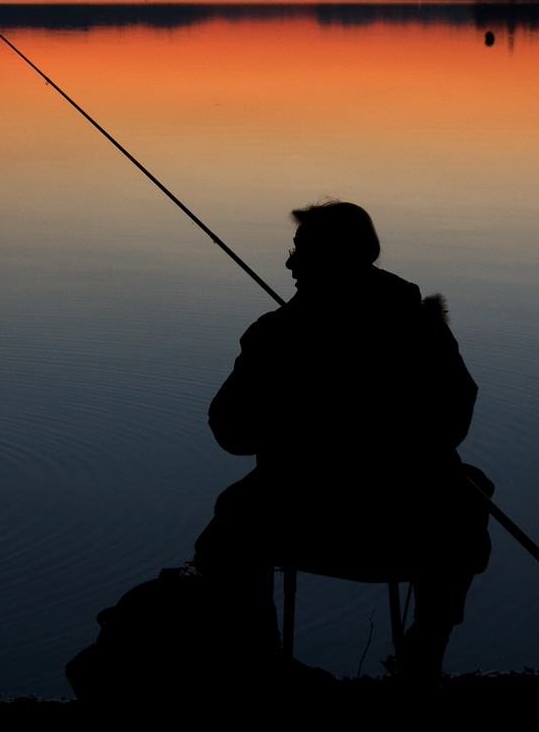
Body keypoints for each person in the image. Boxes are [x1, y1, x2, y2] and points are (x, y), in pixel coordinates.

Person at [193, 200, 490, 682]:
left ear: (335, 257)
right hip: (411, 527)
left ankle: (261, 666)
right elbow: (454, 420)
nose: (289, 263)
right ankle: (424, 652)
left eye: (301, 251)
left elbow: (230, 432)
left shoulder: (275, 336)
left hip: (303, 523)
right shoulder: (423, 329)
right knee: (467, 491)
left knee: (228, 526)